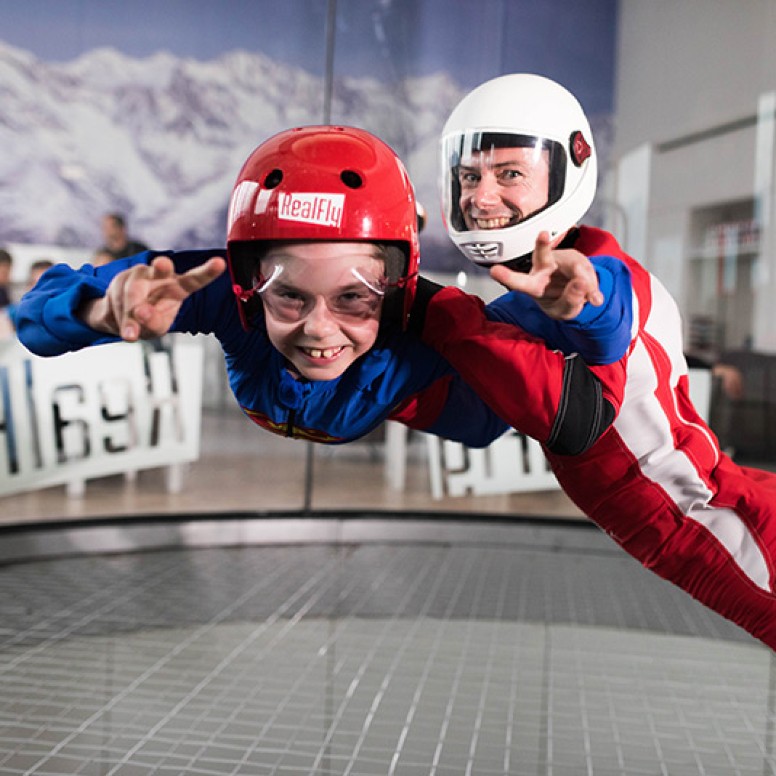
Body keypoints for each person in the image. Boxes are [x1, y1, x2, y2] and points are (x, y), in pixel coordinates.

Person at [15, 126, 621, 461]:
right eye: (288, 295)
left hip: (424, 396)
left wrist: (585, 311)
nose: (319, 330)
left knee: (504, 348)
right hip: (391, 389)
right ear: (250, 282)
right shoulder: (220, 287)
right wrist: (98, 308)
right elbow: (33, 317)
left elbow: (569, 421)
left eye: (355, 297)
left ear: (398, 286)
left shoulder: (436, 320)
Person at [432, 72, 776, 651]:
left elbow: (606, 319)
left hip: (726, 522)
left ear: (569, 168)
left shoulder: (608, 276)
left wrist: (426, 309)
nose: (480, 196)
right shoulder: (526, 308)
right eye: (470, 175)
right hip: (718, 515)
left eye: (509, 172)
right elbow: (477, 417)